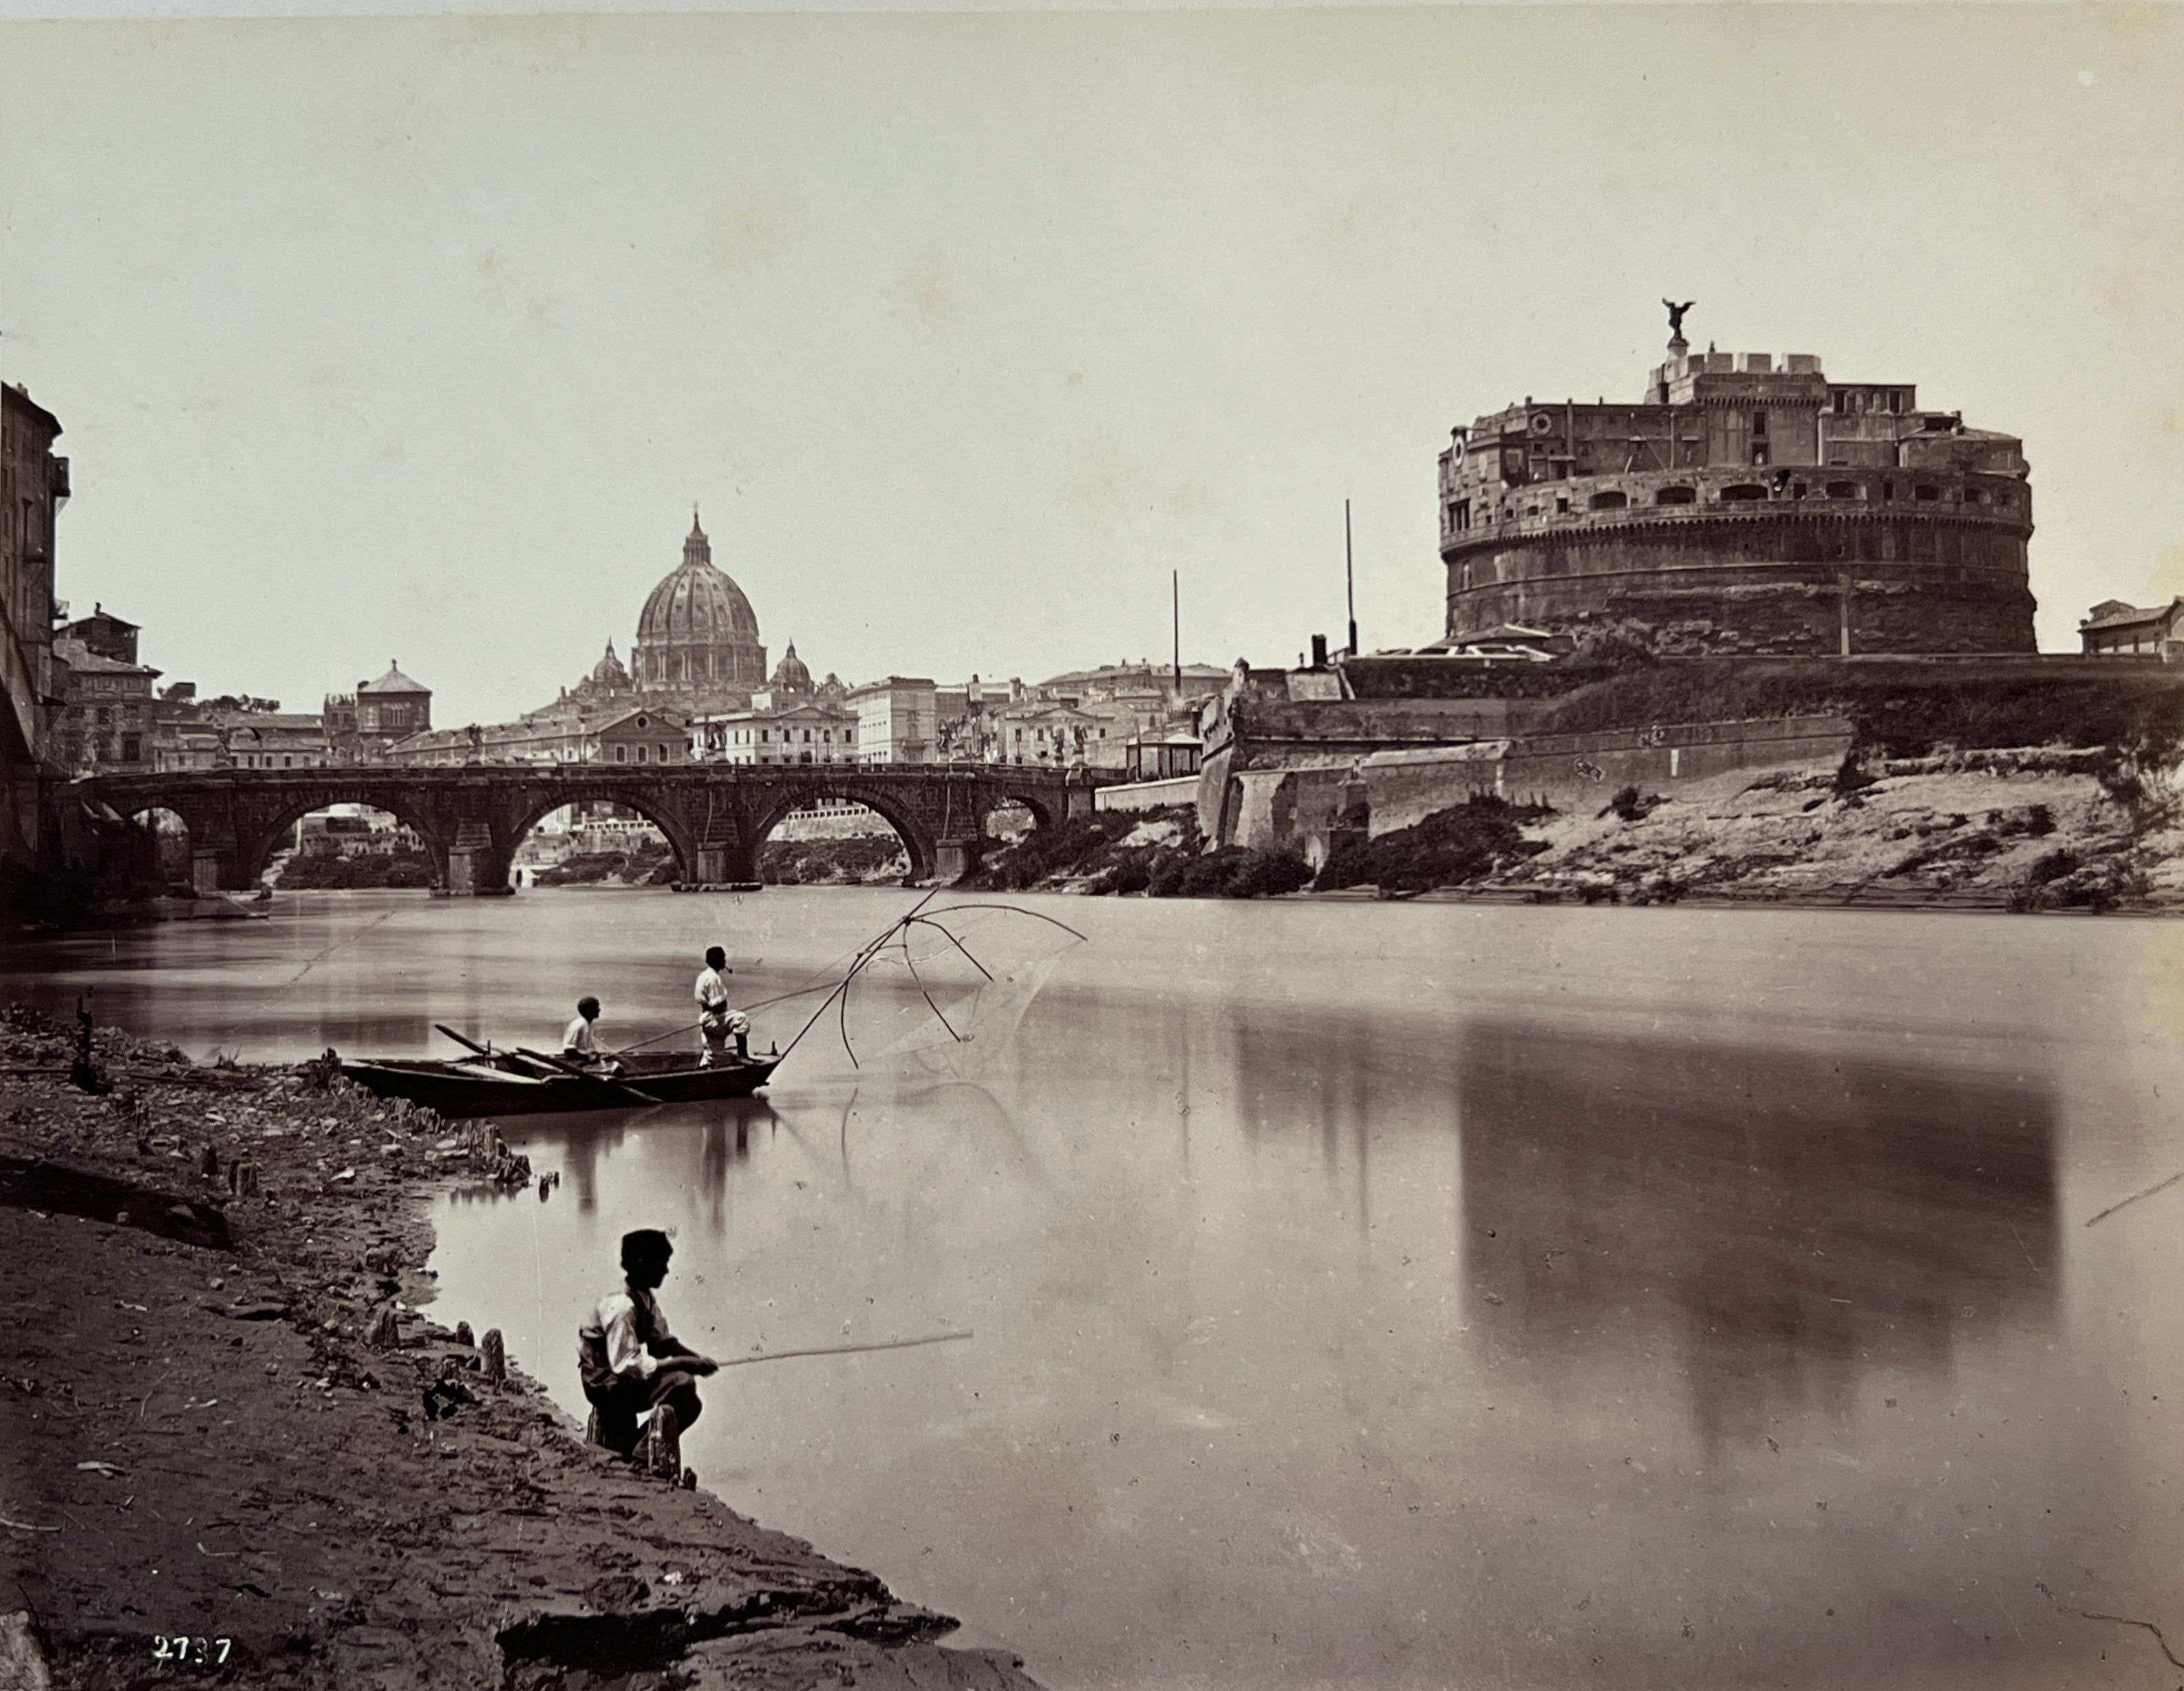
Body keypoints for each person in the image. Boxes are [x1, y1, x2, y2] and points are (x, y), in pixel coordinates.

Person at [577, 1229, 717, 1478]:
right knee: (683, 1383)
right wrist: (684, 1364)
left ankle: (636, 1449)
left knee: (691, 1403)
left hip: (622, 1382)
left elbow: (663, 1343)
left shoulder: (644, 1297)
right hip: (605, 1385)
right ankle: (641, 1455)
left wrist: (697, 1360)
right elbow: (626, 1363)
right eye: (662, 1263)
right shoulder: (621, 1305)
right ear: (643, 1265)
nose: (666, 1271)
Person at [694, 945, 750, 1067]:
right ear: (717, 960)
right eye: (723, 958)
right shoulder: (713, 978)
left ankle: (707, 1064)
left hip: (705, 1018)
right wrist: (727, 1011)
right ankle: (743, 1056)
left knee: (714, 1055)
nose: (725, 961)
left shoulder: (703, 975)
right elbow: (717, 1005)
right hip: (713, 1019)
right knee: (741, 1018)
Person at [559, 996, 621, 1074]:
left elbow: (587, 1051)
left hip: (586, 1064)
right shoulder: (579, 1025)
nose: (599, 1010)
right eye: (596, 1007)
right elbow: (569, 1050)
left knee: (616, 1065)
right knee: (618, 1069)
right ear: (587, 1010)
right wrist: (589, 1058)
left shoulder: (589, 1025)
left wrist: (597, 1057)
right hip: (578, 1067)